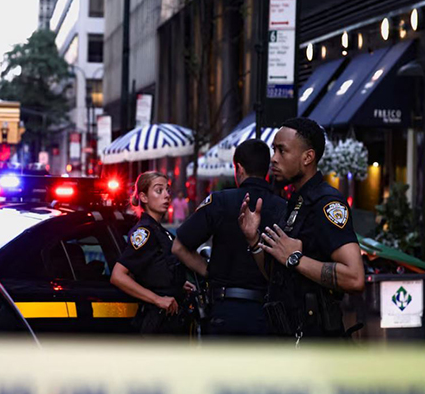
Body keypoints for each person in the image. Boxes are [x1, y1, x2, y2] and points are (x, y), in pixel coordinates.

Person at [239, 118, 364, 341]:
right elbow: (276, 274)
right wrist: (254, 240)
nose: (274, 159)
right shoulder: (295, 201)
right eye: (273, 150)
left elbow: (354, 278)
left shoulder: (326, 203)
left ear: (308, 157)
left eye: (282, 151)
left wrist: (296, 259)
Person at [173, 139, 286, 336]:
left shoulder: (220, 201)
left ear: (239, 168)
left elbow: (179, 247)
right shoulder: (283, 208)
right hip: (267, 312)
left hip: (225, 309)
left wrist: (209, 272)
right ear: (266, 169)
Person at [111, 171, 194, 335]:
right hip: (158, 322)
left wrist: (176, 283)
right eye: (159, 190)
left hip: (173, 320)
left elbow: (154, 266)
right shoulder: (145, 232)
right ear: (143, 197)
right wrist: (157, 299)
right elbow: (118, 275)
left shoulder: (161, 232)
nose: (166, 196)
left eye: (167, 190)